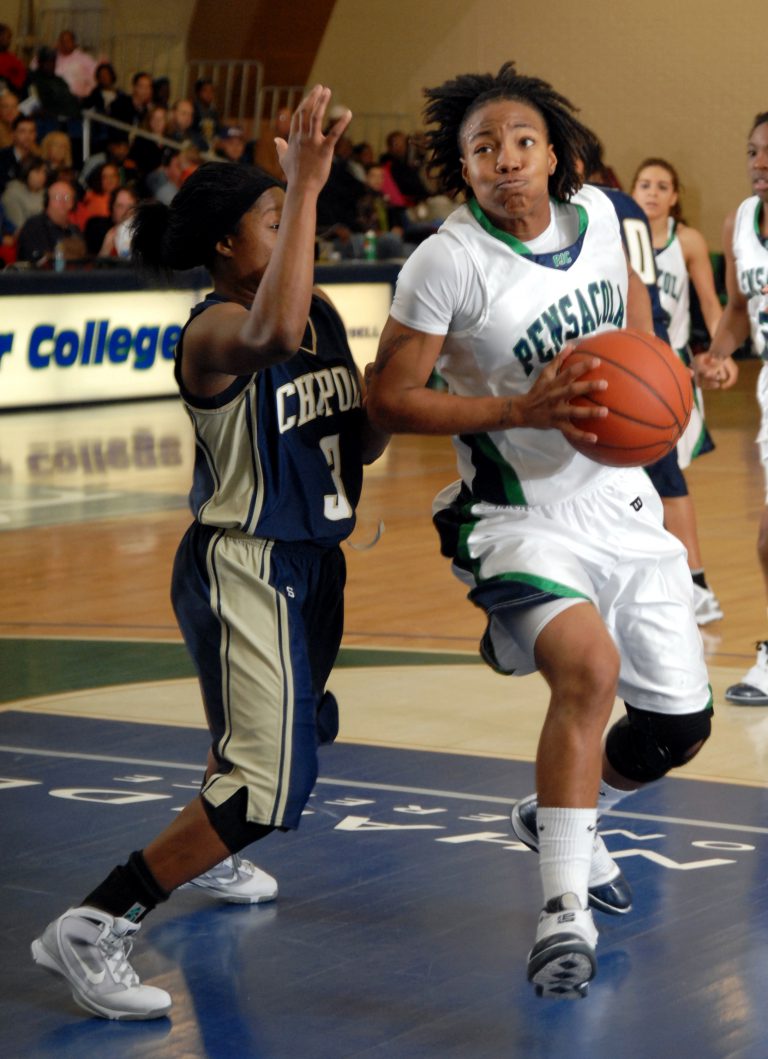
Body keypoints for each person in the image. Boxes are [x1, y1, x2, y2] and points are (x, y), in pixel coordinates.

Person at [30, 84, 389, 1021]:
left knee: (290, 738)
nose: (290, 225)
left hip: (315, 560)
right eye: (274, 219)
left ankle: (214, 849)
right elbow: (267, 332)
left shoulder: (322, 321)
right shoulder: (214, 332)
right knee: (271, 787)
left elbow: (365, 436)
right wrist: (306, 178)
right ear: (228, 246)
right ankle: (96, 920)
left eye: (289, 213)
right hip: (246, 562)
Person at [366, 63, 713, 1000]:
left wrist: (656, 398)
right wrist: (521, 404)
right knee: (589, 671)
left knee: (680, 728)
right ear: (463, 170)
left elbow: (639, 335)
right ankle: (563, 905)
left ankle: (564, 810)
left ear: (553, 152)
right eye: (484, 150)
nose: (506, 161)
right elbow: (387, 398)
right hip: (517, 512)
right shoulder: (447, 261)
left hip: (621, 498)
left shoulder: (605, 217)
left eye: (521, 142)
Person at [630, 157, 733, 624]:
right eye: (644, 184)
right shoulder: (617, 238)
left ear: (675, 197)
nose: (652, 192)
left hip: (670, 376)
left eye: (662, 186)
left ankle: (695, 584)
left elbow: (711, 303)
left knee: (666, 478)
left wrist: (719, 353)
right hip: (632, 374)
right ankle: (671, 581)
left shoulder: (686, 240)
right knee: (648, 482)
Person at [701, 112, 768, 703]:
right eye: (752, 152)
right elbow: (740, 305)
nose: (760, 164)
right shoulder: (741, 223)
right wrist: (719, 354)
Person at [16, 178, 85, 265]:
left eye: (67, 198)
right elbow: (37, 260)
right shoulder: (34, 226)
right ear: (47, 201)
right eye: (57, 197)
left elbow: (83, 259)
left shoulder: (74, 230)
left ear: (72, 203)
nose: (63, 202)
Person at [1, 154, 47, 229]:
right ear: (26, 171)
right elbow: (18, 228)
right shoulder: (11, 194)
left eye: (44, 172)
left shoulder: (45, 192)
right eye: (37, 171)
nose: (43, 176)